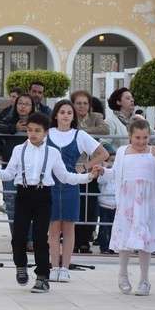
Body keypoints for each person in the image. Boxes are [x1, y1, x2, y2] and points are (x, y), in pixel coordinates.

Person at [0, 111, 97, 291]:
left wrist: (87, 177)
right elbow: (9, 174)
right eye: (30, 130)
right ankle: (20, 265)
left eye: (37, 131)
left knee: (40, 237)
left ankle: (42, 276)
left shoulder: (53, 153)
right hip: (23, 195)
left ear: (46, 132)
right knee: (18, 236)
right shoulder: (19, 150)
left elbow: (65, 176)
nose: (33, 134)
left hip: (43, 196)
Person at [105, 118, 155, 296]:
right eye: (137, 138)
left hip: (147, 203)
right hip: (127, 201)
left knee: (145, 241)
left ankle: (144, 279)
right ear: (130, 136)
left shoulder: (154, 152)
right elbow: (116, 173)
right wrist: (103, 171)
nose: (141, 142)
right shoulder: (122, 152)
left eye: (145, 138)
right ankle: (122, 274)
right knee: (125, 238)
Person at [46, 99, 109, 280]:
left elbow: (103, 153)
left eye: (69, 113)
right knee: (53, 229)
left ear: (73, 116)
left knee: (68, 228)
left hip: (71, 185)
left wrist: (85, 166)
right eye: (62, 112)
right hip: (50, 186)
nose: (65, 116)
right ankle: (54, 267)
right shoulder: (47, 133)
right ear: (56, 115)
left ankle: (65, 268)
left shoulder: (79, 135)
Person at [0, 93, 34, 229]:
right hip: (10, 167)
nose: (23, 106)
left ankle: (29, 237)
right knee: (11, 203)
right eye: (20, 103)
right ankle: (16, 236)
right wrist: (14, 128)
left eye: (27, 104)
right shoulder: (8, 118)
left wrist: (30, 129)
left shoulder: (37, 121)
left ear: (32, 107)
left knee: (29, 205)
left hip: (30, 169)